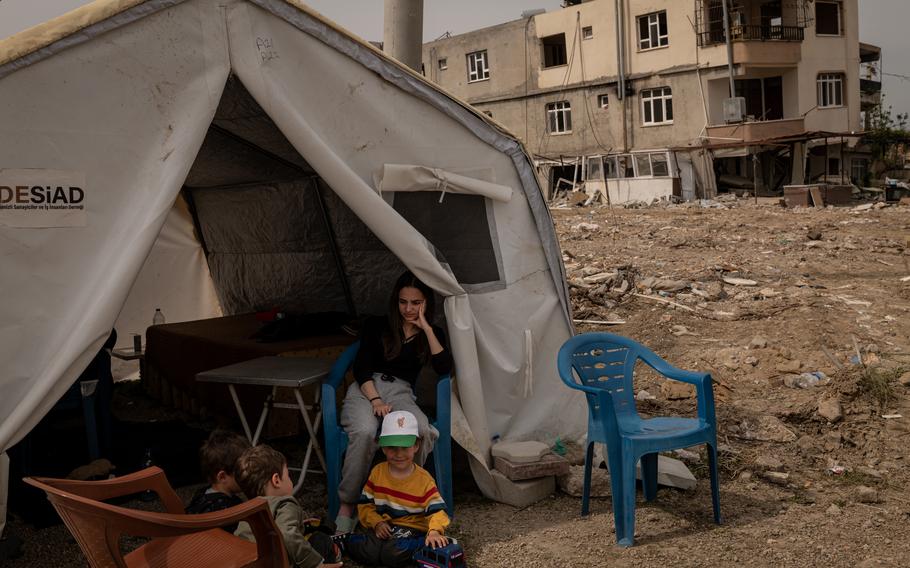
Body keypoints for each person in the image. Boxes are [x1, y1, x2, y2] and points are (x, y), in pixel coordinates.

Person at [336, 271, 453, 533]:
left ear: (426, 303)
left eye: (416, 303)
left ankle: (409, 497)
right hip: (367, 389)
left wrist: (426, 327)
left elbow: (444, 366)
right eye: (403, 302)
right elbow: (361, 367)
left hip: (400, 392)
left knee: (421, 431)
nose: (408, 308)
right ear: (395, 301)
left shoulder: (431, 333)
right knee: (365, 431)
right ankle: (348, 504)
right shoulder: (377, 325)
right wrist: (375, 399)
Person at [344, 410, 450, 568]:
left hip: (412, 531)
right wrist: (377, 523)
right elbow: (365, 505)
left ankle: (425, 545)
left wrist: (435, 531)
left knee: (391, 554)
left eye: (405, 447)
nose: (399, 454)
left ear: (416, 446)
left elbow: (437, 511)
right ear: (383, 448)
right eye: (392, 447)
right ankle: (345, 542)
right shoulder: (377, 472)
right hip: (385, 528)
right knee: (371, 553)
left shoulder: (424, 480)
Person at [234, 445, 343, 568]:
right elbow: (287, 534)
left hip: (251, 563)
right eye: (288, 475)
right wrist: (317, 564)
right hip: (279, 563)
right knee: (321, 539)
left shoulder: (247, 508)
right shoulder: (286, 504)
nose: (290, 479)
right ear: (276, 480)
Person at [185, 429, 251, 532]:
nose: (248, 475)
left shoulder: (201, 494)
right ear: (222, 477)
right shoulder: (230, 510)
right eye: (243, 471)